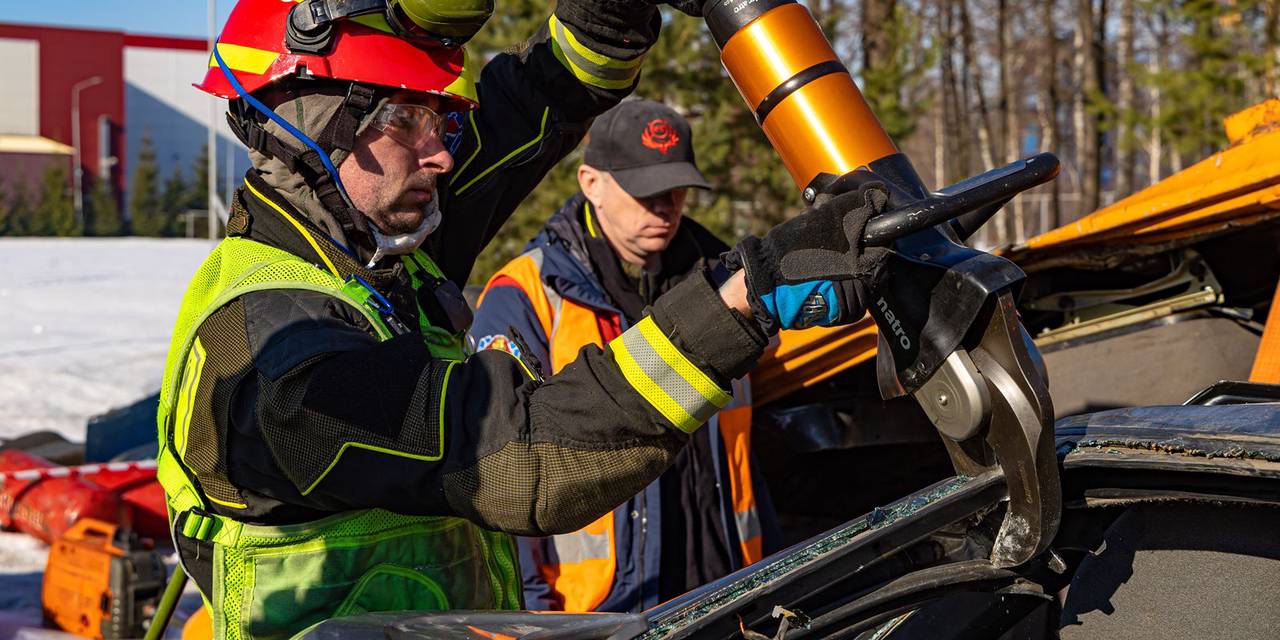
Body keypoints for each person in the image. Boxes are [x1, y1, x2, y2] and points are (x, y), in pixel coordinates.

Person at [156, 0, 892, 637]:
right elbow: (523, 457)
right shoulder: (273, 357)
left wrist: (607, 25)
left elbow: (528, 110)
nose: (440, 154)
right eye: (405, 118)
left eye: (438, 119)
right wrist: (739, 300)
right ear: (309, 120)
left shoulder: (378, 259)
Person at [471, 100, 779, 613]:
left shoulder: (728, 287)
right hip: (601, 612)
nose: (665, 206)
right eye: (645, 191)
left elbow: (747, 455)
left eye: (676, 189)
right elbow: (499, 473)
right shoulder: (525, 294)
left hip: (732, 590)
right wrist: (532, 616)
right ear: (591, 183)